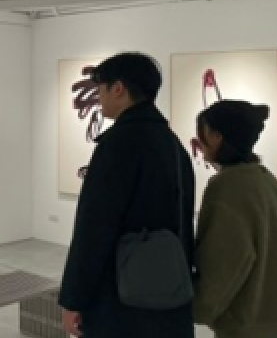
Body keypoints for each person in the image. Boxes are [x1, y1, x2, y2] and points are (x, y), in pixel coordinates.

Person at [59, 52, 196, 338]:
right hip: (168, 291)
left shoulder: (116, 144)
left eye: (100, 89)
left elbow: (94, 228)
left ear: (118, 88)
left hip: (120, 300)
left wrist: (74, 299)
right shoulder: (172, 144)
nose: (99, 97)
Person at [194, 100, 277, 338]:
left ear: (216, 137)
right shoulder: (268, 181)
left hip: (256, 326)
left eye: (202, 133)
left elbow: (224, 261)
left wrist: (197, 309)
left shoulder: (227, 187)